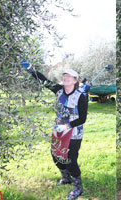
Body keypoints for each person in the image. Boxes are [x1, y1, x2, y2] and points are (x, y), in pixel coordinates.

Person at [22, 58, 89, 200]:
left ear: (75, 80)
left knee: (70, 159)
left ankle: (78, 187)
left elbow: (82, 118)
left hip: (74, 132)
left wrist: (68, 125)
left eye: (69, 76)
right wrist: (30, 70)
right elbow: (43, 79)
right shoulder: (58, 90)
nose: (65, 78)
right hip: (59, 130)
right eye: (64, 76)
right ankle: (66, 178)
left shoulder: (80, 97)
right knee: (56, 156)